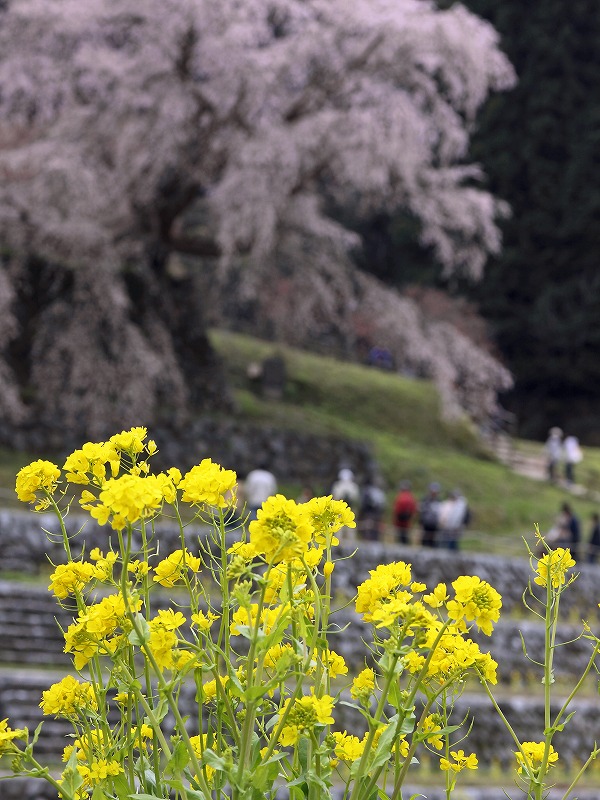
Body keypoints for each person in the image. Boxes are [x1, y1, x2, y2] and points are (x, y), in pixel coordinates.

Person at [331, 468, 361, 541]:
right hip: (339, 510)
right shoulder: (337, 486)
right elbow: (335, 497)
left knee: (350, 528)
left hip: (350, 509)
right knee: (339, 528)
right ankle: (338, 541)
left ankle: (350, 542)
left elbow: (356, 498)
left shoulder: (353, 486)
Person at [358, 476, 386, 541]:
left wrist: (361, 513)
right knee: (375, 528)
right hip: (378, 512)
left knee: (368, 527)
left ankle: (367, 540)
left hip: (369, 512)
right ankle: (375, 540)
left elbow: (363, 504)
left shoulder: (367, 491)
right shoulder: (378, 491)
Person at [392, 481, 418, 545]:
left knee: (399, 539)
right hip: (407, 523)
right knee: (406, 538)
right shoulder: (411, 497)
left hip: (399, 522)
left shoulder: (399, 497)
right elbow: (414, 511)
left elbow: (395, 510)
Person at [419, 482, 441, 548]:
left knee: (433, 543)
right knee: (424, 542)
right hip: (426, 524)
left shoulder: (439, 501)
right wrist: (421, 523)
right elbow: (422, 512)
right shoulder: (425, 500)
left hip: (434, 525)